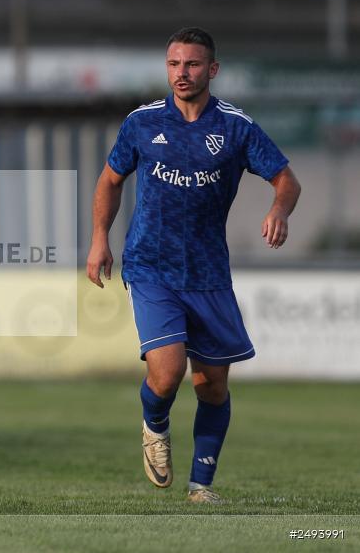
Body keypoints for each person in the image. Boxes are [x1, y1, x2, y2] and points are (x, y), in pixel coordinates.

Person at [86, 27, 301, 503]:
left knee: (212, 386)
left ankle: (201, 487)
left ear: (212, 69)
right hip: (150, 266)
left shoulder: (236, 127)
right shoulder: (142, 123)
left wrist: (278, 210)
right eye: (174, 64)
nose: (181, 74)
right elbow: (110, 180)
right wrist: (100, 238)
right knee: (167, 373)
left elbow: (286, 178)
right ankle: (155, 425)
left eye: (192, 65)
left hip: (206, 273)